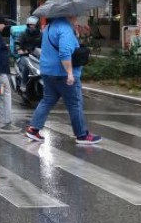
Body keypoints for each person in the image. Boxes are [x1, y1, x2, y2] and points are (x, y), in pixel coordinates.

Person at [24, 15, 102, 144]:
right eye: (74, 14)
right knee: (75, 103)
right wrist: (70, 73)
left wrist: (76, 33)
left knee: (47, 100)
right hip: (63, 74)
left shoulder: (49, 27)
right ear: (68, 15)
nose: (77, 16)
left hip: (47, 71)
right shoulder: (64, 29)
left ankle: (33, 129)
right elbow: (65, 52)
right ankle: (82, 135)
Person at [16, 16, 42, 89]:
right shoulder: (23, 34)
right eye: (30, 25)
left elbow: (45, 45)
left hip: (37, 56)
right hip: (26, 56)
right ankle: (23, 83)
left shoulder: (41, 35)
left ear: (37, 25)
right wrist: (20, 50)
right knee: (28, 65)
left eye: (33, 25)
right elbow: (18, 44)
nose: (31, 27)